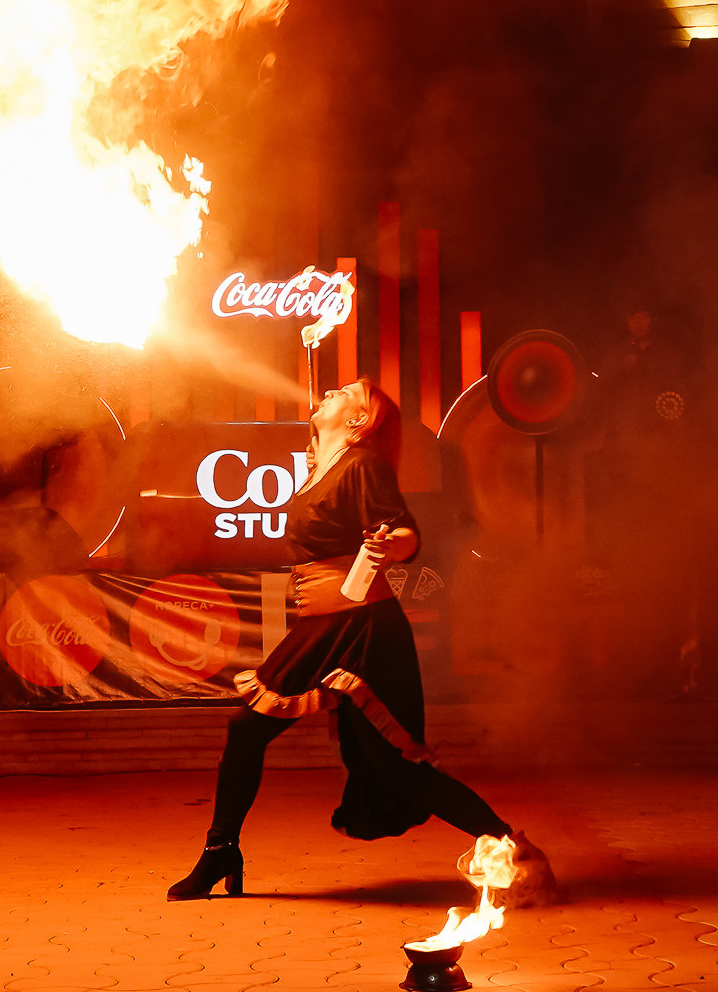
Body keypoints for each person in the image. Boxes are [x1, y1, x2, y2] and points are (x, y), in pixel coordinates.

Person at [168, 376, 558, 904]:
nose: (330, 392)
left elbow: (404, 530)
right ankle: (221, 851)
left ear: (360, 419)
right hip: (321, 624)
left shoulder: (363, 465)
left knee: (392, 768)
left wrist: (393, 540)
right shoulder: (320, 469)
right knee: (246, 729)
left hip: (363, 627)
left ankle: (514, 851)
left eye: (346, 392)